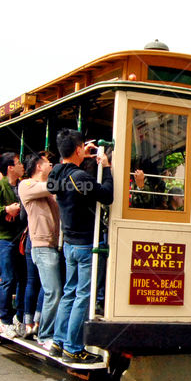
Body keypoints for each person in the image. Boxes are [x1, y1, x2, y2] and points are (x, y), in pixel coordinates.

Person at [47, 129, 113, 364]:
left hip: (69, 244)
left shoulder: (56, 174)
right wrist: (106, 167)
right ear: (77, 149)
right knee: (83, 296)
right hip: (85, 244)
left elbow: (61, 172)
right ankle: (73, 349)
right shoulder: (81, 178)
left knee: (69, 293)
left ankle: (58, 342)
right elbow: (107, 195)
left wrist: (79, 154)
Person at [19, 151, 62, 346]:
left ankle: (46, 330)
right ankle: (45, 335)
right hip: (42, 246)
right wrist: (66, 164)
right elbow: (54, 185)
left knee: (53, 291)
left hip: (52, 245)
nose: (50, 165)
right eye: (48, 163)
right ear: (38, 166)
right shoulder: (27, 185)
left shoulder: (46, 189)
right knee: (53, 291)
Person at [0, 152, 27, 337]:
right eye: (18, 163)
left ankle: (20, 317)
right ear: (10, 168)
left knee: (23, 279)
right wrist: (6, 210)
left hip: (22, 238)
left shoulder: (24, 185)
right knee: (7, 279)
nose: (22, 166)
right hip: (5, 239)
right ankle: (5, 321)